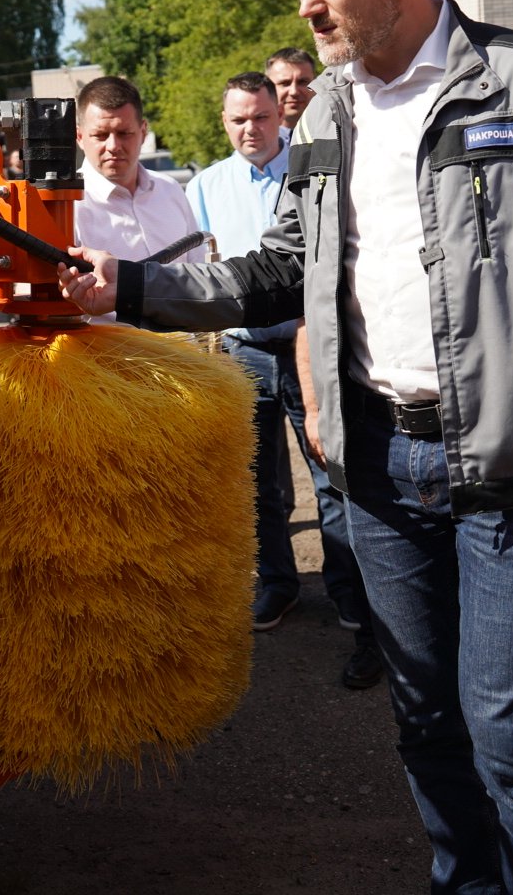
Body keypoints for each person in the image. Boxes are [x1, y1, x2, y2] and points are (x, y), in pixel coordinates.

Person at [60, 0, 513, 895]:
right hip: (379, 469)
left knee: (509, 734)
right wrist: (131, 289)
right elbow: (279, 266)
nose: (307, 3)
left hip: (507, 472)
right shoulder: (326, 109)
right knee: (424, 719)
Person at [186, 71, 381, 690]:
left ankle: (350, 595)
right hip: (243, 355)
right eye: (239, 119)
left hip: (308, 347)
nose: (251, 129)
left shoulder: (311, 170)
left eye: (262, 117)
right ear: (225, 123)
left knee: (332, 474)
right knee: (257, 481)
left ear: (281, 117)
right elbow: (198, 272)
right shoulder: (204, 188)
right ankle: (277, 584)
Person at [70, 76, 205, 316]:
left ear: (143, 132)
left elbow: (198, 272)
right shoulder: (68, 206)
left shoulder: (170, 190)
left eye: (124, 133)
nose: (113, 145)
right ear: (80, 137)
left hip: (184, 348)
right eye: (101, 135)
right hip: (104, 352)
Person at [263, 47, 317, 130]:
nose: (294, 92)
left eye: (302, 82)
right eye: (285, 83)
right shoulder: (255, 140)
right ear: (267, 88)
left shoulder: (338, 135)